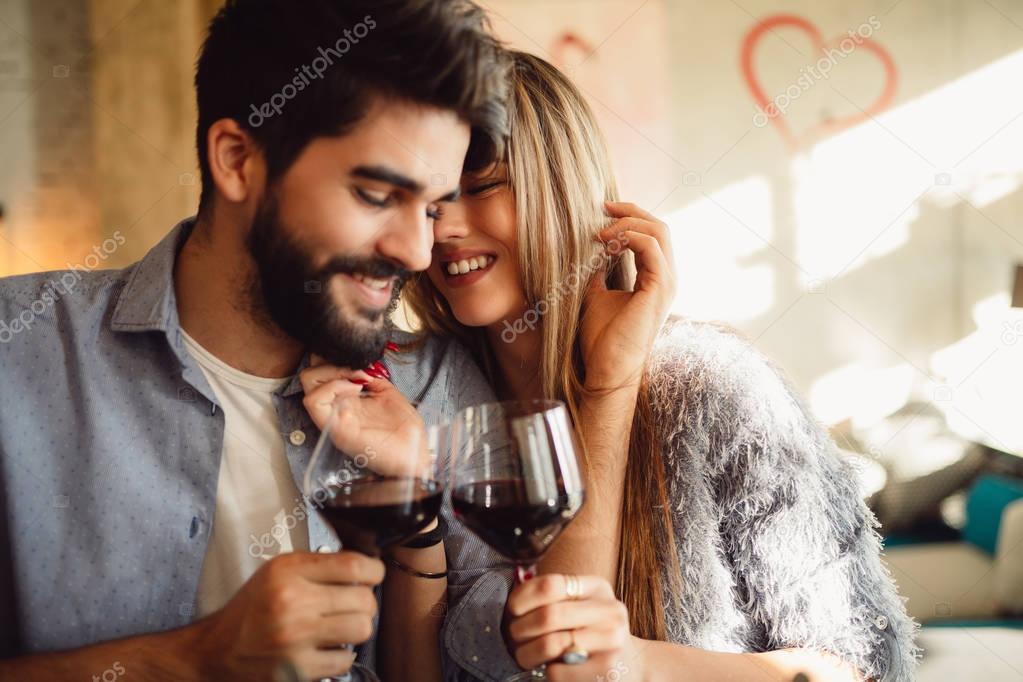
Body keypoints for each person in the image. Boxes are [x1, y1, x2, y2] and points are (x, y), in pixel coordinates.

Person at [0, 1, 508, 680]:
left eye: (432, 206)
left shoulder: (437, 389)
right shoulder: (17, 353)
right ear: (237, 160)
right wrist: (189, 659)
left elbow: (530, 655)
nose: (417, 251)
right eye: (376, 194)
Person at [400, 51, 920, 681]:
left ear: (564, 188)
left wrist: (639, 663)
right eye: (427, 201)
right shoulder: (420, 398)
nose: (445, 227)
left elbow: (864, 668)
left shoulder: (712, 386)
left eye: (482, 186)